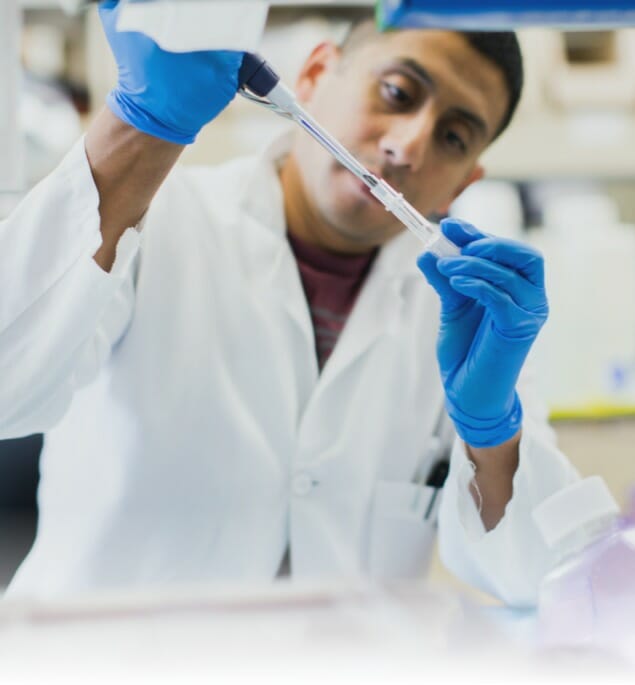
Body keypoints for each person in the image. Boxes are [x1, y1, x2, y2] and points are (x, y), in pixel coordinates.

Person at [0, 0, 578, 603]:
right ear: (313, 75)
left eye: (453, 137)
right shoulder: (152, 220)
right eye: (398, 93)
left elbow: (536, 576)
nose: (409, 146)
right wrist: (139, 126)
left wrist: (491, 432)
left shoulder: (464, 315)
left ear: (465, 182)